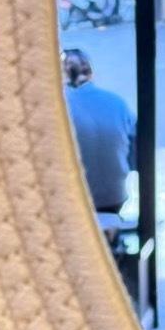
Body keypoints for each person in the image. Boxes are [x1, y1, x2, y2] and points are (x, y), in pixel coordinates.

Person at [61, 48, 136, 214]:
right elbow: (135, 153)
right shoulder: (117, 102)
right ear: (91, 73)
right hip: (115, 198)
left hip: (73, 201)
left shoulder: (60, 107)